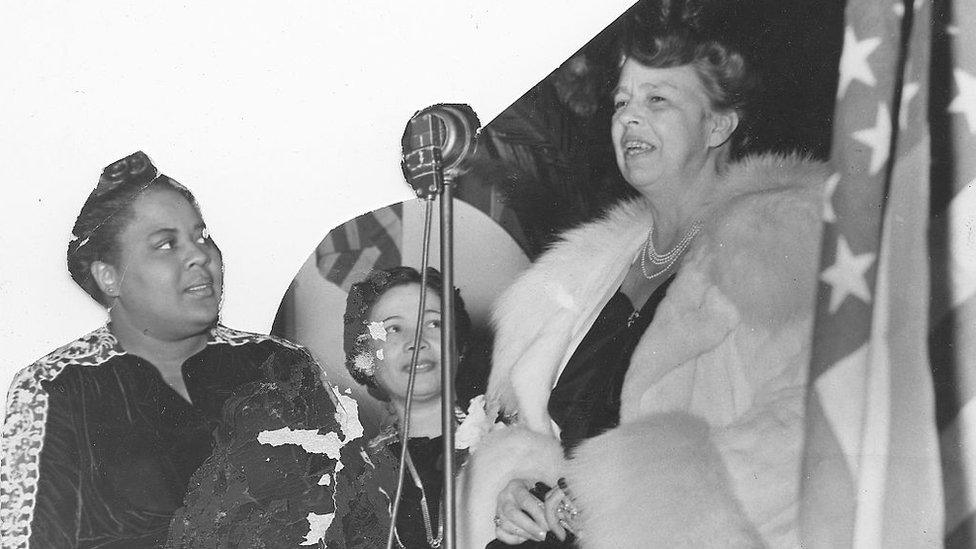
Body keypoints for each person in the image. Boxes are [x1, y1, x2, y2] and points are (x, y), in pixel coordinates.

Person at [460, 4, 829, 548]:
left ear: (718, 124)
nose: (629, 119)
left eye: (658, 100)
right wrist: (514, 489)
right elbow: (538, 436)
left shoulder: (779, 247)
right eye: (622, 102)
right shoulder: (585, 271)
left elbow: (808, 428)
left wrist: (623, 497)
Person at [0, 152, 330, 548]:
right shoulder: (53, 388)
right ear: (109, 276)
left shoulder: (283, 365)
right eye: (166, 244)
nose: (199, 256)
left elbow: (346, 511)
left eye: (202, 236)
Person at [341, 266, 477, 549]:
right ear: (366, 360)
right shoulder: (352, 477)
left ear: (459, 346)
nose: (416, 341)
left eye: (433, 323)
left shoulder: (503, 442)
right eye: (393, 328)